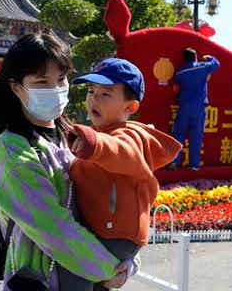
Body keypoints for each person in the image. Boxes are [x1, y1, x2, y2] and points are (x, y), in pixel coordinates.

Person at [0, 34, 131, 290]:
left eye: (61, 79)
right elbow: (53, 228)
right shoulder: (11, 150)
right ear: (16, 87)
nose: (55, 89)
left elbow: (112, 201)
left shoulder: (75, 137)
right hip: (39, 281)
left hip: (89, 279)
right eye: (42, 81)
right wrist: (108, 269)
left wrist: (128, 260)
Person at [68, 58, 182, 291]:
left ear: (129, 108)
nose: (93, 99)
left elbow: (122, 151)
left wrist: (94, 144)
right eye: (91, 91)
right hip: (104, 230)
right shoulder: (101, 133)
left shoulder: (129, 135)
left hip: (114, 234)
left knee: (71, 276)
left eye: (105, 94)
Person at [170, 48, 220, 170]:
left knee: (178, 134)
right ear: (195, 57)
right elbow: (217, 64)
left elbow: (176, 88)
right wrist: (209, 57)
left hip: (184, 105)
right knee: (196, 136)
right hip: (198, 107)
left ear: (184, 58)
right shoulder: (202, 67)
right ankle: (194, 165)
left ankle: (174, 162)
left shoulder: (180, 72)